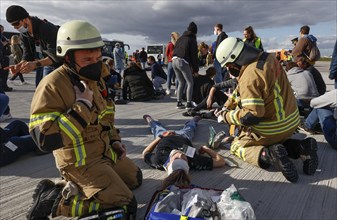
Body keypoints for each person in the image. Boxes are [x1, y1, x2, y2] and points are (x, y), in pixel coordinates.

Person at [27, 20, 142, 219]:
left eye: (98, 57)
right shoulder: (52, 85)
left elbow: (106, 116)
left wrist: (114, 141)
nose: (95, 64)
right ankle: (56, 202)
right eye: (88, 59)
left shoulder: (96, 79)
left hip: (104, 152)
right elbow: (45, 140)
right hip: (80, 162)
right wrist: (81, 108)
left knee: (135, 178)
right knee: (125, 204)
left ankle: (81, 188)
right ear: (68, 58)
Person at [215, 37, 318, 183]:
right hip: (292, 122)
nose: (228, 69)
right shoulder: (268, 58)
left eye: (229, 65)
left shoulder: (250, 76)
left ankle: (267, 155)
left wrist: (226, 116)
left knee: (236, 145)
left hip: (271, 128)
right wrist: (226, 105)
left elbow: (251, 115)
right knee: (280, 139)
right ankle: (301, 147)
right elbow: (240, 89)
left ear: (234, 61)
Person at [142, 114, 225, 189]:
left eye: (176, 159)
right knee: (190, 128)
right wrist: (206, 149)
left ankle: (151, 121)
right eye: (184, 159)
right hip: (183, 136)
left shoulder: (159, 160)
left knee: (156, 128)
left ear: (169, 163)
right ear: (188, 165)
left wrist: (160, 137)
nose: (180, 154)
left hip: (165, 136)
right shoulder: (193, 160)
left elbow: (145, 153)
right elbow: (221, 161)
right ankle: (194, 120)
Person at [5, 5, 61, 78]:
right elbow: (27, 53)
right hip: (48, 64)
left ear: (25, 19)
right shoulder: (24, 34)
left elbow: (56, 56)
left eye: (16, 24)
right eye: (12, 25)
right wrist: (19, 65)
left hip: (62, 65)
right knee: (41, 87)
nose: (15, 27)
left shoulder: (47, 28)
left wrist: (35, 64)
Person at [172, 21, 199, 110]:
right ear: (195, 31)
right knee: (190, 82)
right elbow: (194, 56)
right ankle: (188, 103)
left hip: (174, 60)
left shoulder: (181, 38)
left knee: (181, 82)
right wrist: (195, 70)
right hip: (182, 61)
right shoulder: (192, 40)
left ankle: (179, 102)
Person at [0, 25, 12, 92]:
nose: (3, 30)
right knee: (4, 74)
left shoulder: (2, 36)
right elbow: (1, 44)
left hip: (4, 57)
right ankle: (3, 87)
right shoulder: (1, 36)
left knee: (4, 74)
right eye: (2, 29)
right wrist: (7, 42)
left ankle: (4, 86)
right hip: (3, 57)